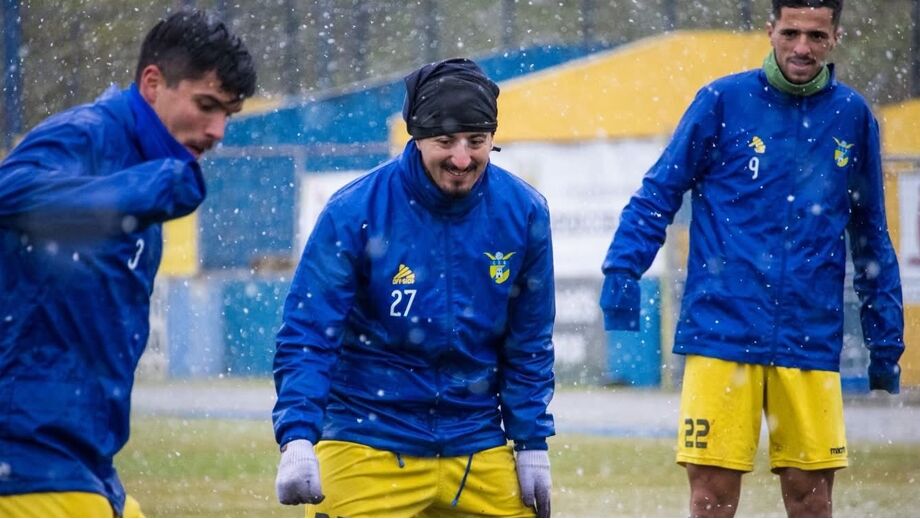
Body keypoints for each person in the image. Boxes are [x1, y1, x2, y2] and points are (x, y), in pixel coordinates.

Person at [599, 0, 903, 517]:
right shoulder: (722, 101)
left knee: (812, 500)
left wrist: (884, 342)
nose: (801, 48)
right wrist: (622, 271)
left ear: (836, 37)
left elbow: (871, 234)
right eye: (790, 33)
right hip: (723, 330)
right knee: (711, 499)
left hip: (809, 336)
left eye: (815, 36)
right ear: (770, 31)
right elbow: (658, 194)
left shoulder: (852, 117)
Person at [273, 58, 555, 518]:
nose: (462, 158)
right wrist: (299, 436)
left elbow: (529, 343)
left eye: (477, 141)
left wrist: (531, 443)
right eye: (446, 141)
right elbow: (308, 334)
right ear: (417, 137)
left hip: (475, 442)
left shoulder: (522, 212)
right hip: (368, 436)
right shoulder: (354, 212)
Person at [0, 10, 256, 517]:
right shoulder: (88, 136)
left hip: (84, 458)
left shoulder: (145, 166)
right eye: (206, 106)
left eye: (229, 114)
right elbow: (11, 194)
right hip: (26, 454)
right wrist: (151, 188)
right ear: (153, 83)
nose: (217, 130)